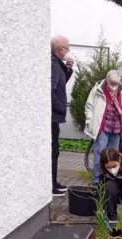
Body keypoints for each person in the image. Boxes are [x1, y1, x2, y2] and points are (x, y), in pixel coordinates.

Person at [84, 70, 122, 184]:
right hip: (103, 128)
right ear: (107, 80)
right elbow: (89, 106)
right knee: (100, 155)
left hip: (117, 129)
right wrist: (89, 121)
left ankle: (110, 182)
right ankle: (96, 181)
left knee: (114, 157)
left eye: (116, 84)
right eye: (112, 83)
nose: (114, 86)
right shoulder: (98, 90)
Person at [50, 35, 74, 197]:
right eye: (67, 48)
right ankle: (51, 185)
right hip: (52, 117)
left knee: (55, 151)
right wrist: (60, 108)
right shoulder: (52, 65)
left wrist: (69, 67)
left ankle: (54, 182)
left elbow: (61, 83)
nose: (68, 51)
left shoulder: (57, 64)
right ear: (60, 50)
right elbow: (50, 90)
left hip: (54, 116)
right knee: (53, 151)